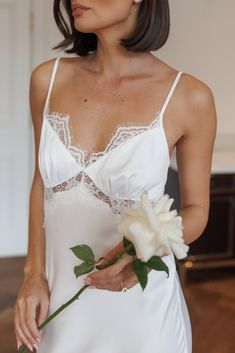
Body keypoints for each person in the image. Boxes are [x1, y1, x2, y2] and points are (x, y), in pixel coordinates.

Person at [13, 0, 217, 352]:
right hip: (61, 309)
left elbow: (197, 210)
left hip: (142, 314)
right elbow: (41, 183)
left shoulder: (189, 97)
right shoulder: (47, 80)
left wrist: (144, 248)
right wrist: (33, 275)